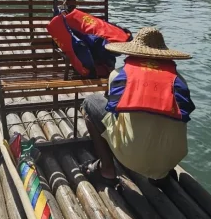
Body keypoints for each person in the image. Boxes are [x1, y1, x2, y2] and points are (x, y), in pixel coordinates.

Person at [81, 26, 195, 186]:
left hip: (132, 156)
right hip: (172, 159)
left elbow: (112, 111)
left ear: (132, 52)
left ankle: (107, 168)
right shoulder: (180, 81)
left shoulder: (119, 75)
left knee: (90, 103)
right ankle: (161, 175)